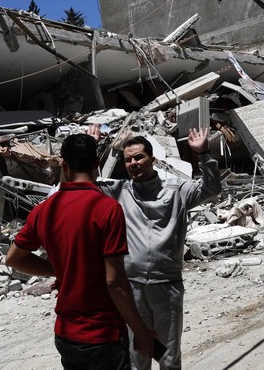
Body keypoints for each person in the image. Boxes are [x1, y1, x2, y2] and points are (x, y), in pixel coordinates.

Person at [5, 134, 154, 370]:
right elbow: (114, 281)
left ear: (64, 165)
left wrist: (60, 270)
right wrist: (140, 331)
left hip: (65, 334)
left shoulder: (43, 211)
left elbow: (13, 258)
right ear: (97, 164)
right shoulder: (107, 209)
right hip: (102, 336)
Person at [90, 126, 221, 370]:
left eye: (138, 157)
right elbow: (87, 186)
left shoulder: (177, 190)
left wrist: (203, 153)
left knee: (168, 355)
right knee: (137, 353)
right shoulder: (119, 191)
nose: (133, 163)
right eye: (128, 159)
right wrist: (90, 148)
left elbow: (211, 189)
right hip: (131, 288)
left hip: (166, 286)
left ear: (153, 159)